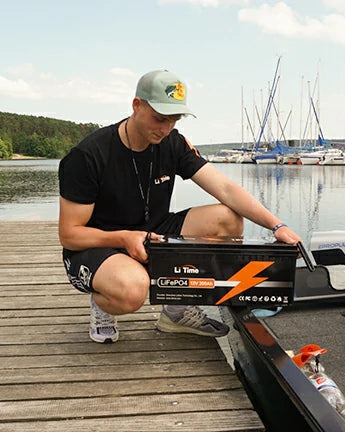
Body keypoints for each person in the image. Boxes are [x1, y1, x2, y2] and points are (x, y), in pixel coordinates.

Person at [58, 69, 301, 343]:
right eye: (159, 118)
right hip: (97, 243)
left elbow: (225, 188)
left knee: (227, 218)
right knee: (132, 290)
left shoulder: (172, 142)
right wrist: (124, 238)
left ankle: (176, 311)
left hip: (154, 230)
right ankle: (103, 303)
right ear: (136, 105)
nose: (166, 128)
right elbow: (70, 234)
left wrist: (277, 225)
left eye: (174, 120)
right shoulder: (88, 155)